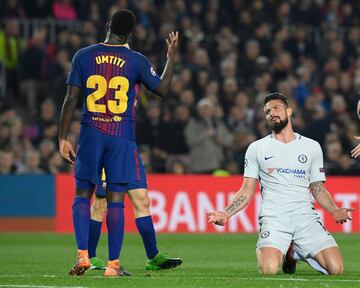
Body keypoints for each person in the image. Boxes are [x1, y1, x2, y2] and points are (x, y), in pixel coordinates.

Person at [58, 9, 181, 277]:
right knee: (116, 200)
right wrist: (170, 59)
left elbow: (70, 99)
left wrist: (63, 136)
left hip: (91, 133)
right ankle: (113, 265)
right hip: (121, 136)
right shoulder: (135, 60)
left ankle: (82, 256)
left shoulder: (84, 55)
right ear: (131, 33)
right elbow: (161, 89)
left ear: (108, 26)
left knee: (83, 195)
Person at [207, 92, 354, 275]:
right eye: (268, 111)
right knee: (269, 270)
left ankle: (295, 252)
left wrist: (334, 210)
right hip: (274, 218)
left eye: (276, 108)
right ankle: (288, 253)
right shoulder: (257, 148)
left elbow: (317, 188)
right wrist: (226, 213)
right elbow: (246, 190)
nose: (272, 113)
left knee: (336, 269)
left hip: (305, 218)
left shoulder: (311, 146)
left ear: (289, 111)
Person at [88, 170, 182, 271]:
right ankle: (89, 257)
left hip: (132, 159)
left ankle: (153, 256)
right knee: (101, 203)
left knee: (142, 201)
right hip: (110, 159)